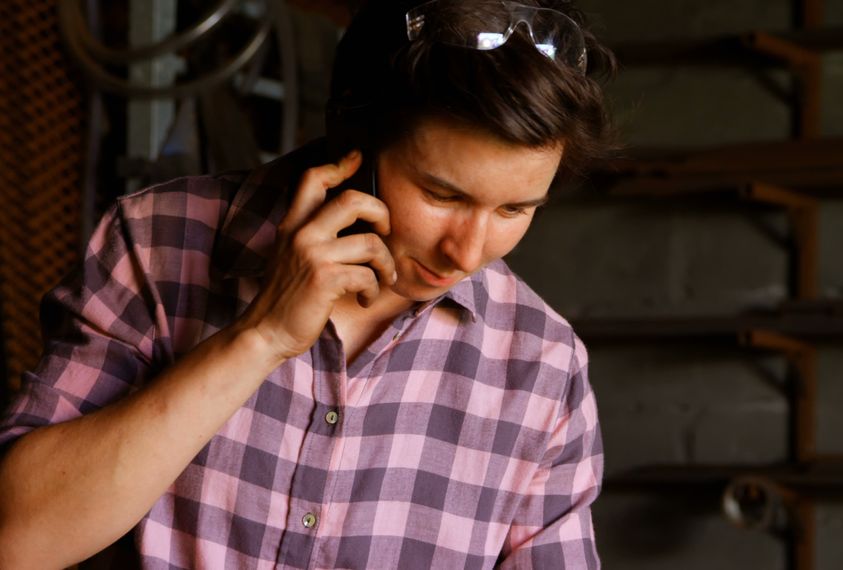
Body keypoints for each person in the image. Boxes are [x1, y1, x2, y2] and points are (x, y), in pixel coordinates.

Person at [0, 0, 615, 567]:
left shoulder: (543, 367)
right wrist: (260, 337)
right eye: (441, 194)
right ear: (356, 140)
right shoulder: (159, 241)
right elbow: (19, 539)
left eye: (515, 210)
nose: (468, 250)